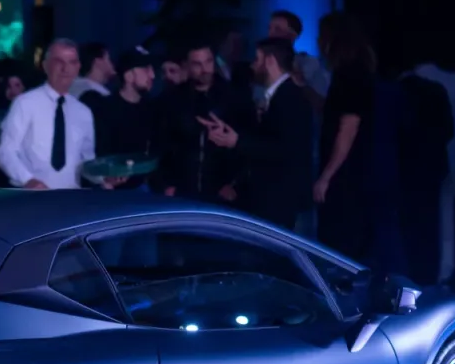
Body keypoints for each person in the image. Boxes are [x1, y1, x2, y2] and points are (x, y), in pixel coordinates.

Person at [202, 38, 313, 230]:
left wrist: (237, 141)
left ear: (270, 61)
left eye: (257, 59)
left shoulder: (289, 98)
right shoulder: (282, 96)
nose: (252, 66)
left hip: (281, 202)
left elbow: (284, 149)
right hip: (275, 200)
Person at [315, 13, 379, 260]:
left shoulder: (350, 74)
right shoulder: (354, 72)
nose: (318, 41)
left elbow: (348, 127)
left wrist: (327, 176)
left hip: (346, 177)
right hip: (353, 174)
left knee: (340, 245)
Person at [0, 40, 99, 191]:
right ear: (45, 66)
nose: (65, 69)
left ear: (78, 67)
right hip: (30, 197)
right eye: (58, 61)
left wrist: (103, 177)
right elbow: (5, 153)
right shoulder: (25, 103)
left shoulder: (83, 112)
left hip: (71, 198)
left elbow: (87, 162)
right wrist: (28, 180)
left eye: (72, 62)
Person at [157, 40, 252, 202]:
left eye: (208, 62)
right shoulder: (172, 100)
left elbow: (248, 142)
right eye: (197, 64)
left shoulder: (234, 98)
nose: (205, 69)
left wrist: (235, 185)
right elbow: (160, 143)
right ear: (187, 66)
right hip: (180, 192)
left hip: (222, 194)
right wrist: (165, 184)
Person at [411, 55, 455, 283]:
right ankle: (445, 270)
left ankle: (424, 271)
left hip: (418, 163)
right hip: (452, 158)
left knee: (421, 218)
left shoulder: (407, 81)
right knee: (447, 214)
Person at [91, 46, 159, 168]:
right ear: (128, 76)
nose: (152, 75)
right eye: (146, 69)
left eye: (152, 69)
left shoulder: (153, 109)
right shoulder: (105, 110)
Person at [267, 10, 330, 98]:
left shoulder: (308, 64)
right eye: (269, 28)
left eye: (278, 29)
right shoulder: (261, 63)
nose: (271, 34)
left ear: (292, 36)